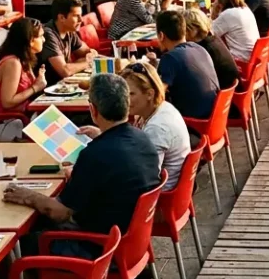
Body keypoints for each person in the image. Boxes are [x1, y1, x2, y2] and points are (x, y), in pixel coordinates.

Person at [4, 73, 161, 255]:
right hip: (129, 240)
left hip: (99, 246)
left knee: (16, 247)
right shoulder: (142, 138)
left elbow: (60, 212)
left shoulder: (95, 153)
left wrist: (30, 196)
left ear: (93, 110)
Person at [80, 63, 191, 191]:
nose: (124, 99)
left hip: (160, 198)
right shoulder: (159, 108)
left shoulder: (157, 128)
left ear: (149, 94)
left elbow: (145, 176)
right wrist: (103, 135)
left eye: (131, 94)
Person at [0, 18, 46, 141]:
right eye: (41, 36)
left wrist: (38, 80)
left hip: (16, 119)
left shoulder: (24, 59)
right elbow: (7, 102)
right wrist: (36, 87)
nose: (44, 40)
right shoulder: (12, 63)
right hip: (2, 124)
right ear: (30, 41)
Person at [153, 10, 220, 119]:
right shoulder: (199, 48)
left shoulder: (170, 58)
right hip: (214, 115)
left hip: (193, 119)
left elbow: (157, 96)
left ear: (161, 35)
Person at [39, 0, 95, 84]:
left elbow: (89, 53)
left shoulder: (69, 31)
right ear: (61, 17)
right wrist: (89, 62)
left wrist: (82, 62)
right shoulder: (48, 34)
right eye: (76, 16)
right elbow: (65, 71)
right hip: (47, 90)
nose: (81, 20)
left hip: (63, 85)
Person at [183, 8, 240, 89]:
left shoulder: (202, 49)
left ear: (193, 29)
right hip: (230, 92)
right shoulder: (213, 39)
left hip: (223, 95)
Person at [211, 0, 259, 65]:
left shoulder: (228, 14)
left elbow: (206, 34)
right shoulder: (245, 9)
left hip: (241, 62)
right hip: (252, 59)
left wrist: (214, 11)